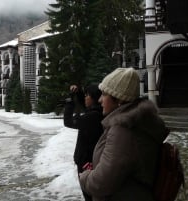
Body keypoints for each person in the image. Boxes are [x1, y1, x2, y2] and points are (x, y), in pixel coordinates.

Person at [79, 68, 167, 201]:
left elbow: (101, 183)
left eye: (104, 94)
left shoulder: (123, 130)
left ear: (118, 99)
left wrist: (84, 177)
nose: (100, 100)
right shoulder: (137, 122)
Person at [64, 83, 104, 201]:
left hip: (86, 163)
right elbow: (86, 104)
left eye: (87, 95)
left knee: (89, 195)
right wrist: (78, 93)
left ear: (94, 98)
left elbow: (68, 121)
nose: (85, 97)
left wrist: (70, 101)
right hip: (93, 160)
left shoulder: (92, 117)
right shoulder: (99, 112)